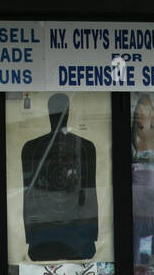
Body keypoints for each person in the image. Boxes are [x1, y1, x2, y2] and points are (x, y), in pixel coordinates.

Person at [21, 93, 98, 261]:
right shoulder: (33, 148)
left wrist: (91, 233)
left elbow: (90, 193)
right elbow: (29, 195)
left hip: (71, 234)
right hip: (52, 234)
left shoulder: (84, 147)